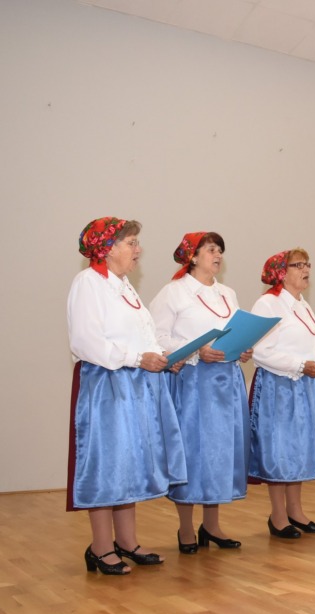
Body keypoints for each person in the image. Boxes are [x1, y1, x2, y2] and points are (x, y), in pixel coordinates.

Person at [67, 217, 186, 575]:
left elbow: (141, 337)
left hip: (136, 383)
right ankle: (100, 547)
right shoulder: (88, 283)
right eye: (131, 243)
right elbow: (86, 342)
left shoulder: (124, 286)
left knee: (129, 462)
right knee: (109, 463)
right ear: (107, 248)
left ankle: (127, 541)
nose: (138, 250)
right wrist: (137, 359)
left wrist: (163, 357)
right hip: (108, 384)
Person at [149, 232, 249, 553]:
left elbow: (235, 332)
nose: (218, 255)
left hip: (227, 381)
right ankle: (185, 527)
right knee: (194, 451)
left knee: (220, 452)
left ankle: (212, 525)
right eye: (210, 249)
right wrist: (196, 350)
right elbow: (157, 337)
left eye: (220, 250)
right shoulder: (174, 292)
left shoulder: (227, 293)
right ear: (192, 256)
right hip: (193, 382)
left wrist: (243, 348)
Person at [249, 249, 315, 539]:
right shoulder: (268, 304)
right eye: (298, 265)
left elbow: (313, 348)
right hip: (279, 385)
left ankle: (295, 511)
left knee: (298, 449)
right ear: (281, 271)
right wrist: (301, 365)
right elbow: (260, 351)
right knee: (280, 450)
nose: (306, 269)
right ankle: (277, 516)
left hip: (306, 384)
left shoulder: (303, 305)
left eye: (307, 264)